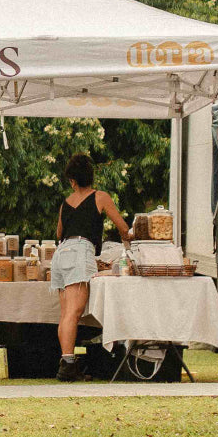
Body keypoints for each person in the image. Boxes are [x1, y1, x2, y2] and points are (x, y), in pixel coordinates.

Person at [51, 153, 131, 382]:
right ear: (91, 177)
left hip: (62, 253)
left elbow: (58, 233)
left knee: (66, 314)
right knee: (73, 314)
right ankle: (67, 366)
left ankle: (67, 362)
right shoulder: (101, 197)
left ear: (72, 181)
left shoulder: (65, 203)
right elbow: (123, 227)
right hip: (80, 251)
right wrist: (130, 242)